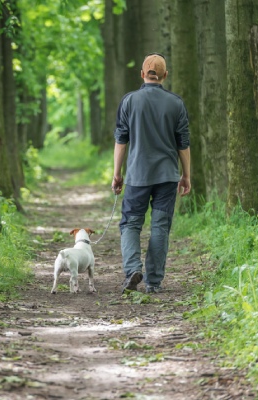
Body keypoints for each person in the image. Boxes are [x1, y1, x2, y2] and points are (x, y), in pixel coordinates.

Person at [111, 53, 191, 294]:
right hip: (167, 175)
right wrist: (186, 175)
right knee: (160, 226)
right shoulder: (176, 103)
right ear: (165, 75)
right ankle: (154, 281)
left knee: (131, 224)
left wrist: (117, 174)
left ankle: (133, 269)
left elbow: (121, 140)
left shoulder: (129, 101)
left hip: (137, 175)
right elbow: (183, 143)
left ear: (142, 74)